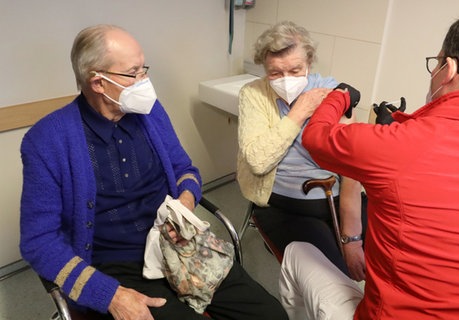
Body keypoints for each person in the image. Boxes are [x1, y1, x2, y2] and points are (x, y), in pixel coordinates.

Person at [281, 5, 459, 319]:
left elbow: (315, 137)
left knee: (296, 253)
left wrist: (340, 95)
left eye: (435, 63)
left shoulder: (398, 146)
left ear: (449, 68)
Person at [19, 24, 287, 320]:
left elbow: (185, 170)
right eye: (133, 73)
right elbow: (39, 240)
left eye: (144, 69)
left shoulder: (151, 113)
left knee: (272, 315)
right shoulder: (47, 140)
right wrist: (110, 295)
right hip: (113, 267)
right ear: (98, 82)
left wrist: (184, 204)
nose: (144, 81)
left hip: (176, 244)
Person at [237, 20, 367, 280]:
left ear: (309, 63)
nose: (286, 80)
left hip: (338, 198)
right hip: (286, 204)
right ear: (264, 68)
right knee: (336, 278)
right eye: (275, 73)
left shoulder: (331, 93)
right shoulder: (253, 94)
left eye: (296, 70)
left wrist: (351, 237)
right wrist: (299, 112)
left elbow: (351, 165)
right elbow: (258, 161)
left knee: (387, 258)